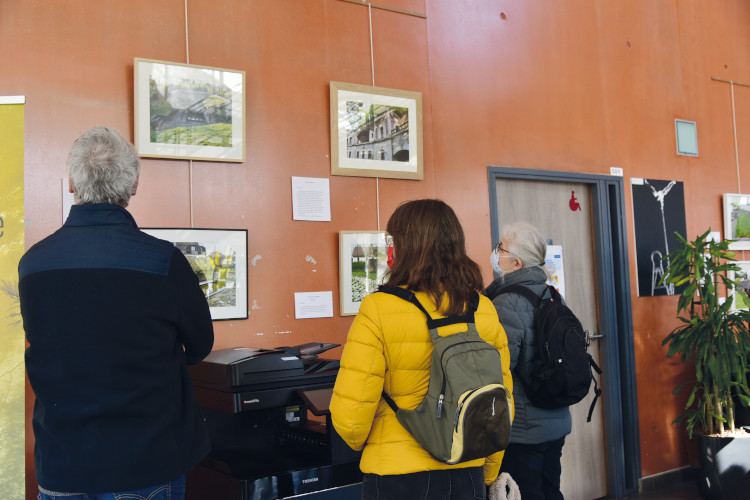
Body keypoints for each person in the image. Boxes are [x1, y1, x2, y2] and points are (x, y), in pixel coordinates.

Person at [19, 126, 215, 499]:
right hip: (146, 461)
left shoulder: (33, 264)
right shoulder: (163, 261)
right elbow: (201, 346)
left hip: (63, 464)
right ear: (134, 184)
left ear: (73, 185)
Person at [330, 199, 513, 500]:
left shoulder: (378, 308)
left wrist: (375, 446)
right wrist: (488, 471)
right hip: (467, 471)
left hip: (398, 476)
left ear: (405, 246)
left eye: (392, 240)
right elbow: (501, 401)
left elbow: (351, 418)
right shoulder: (483, 308)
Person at [484, 222, 568, 500]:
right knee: (551, 490)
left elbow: (497, 368)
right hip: (556, 419)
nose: (496, 252)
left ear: (516, 262)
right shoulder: (553, 295)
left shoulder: (506, 302)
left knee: (524, 494)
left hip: (523, 429)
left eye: (501, 248)